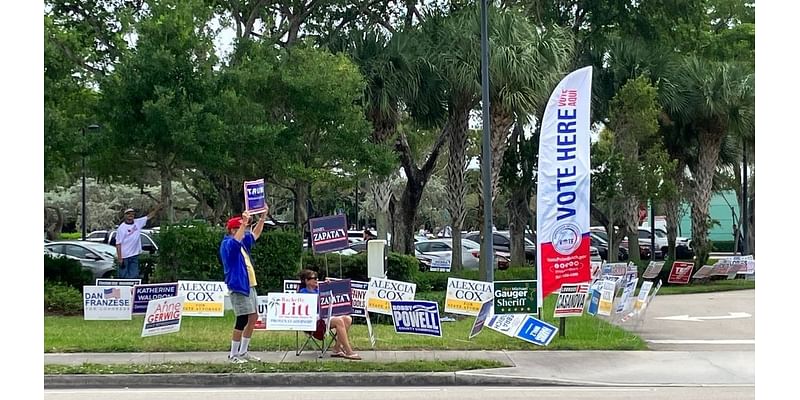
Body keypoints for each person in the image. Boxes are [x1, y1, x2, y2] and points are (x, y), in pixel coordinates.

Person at [220, 209, 267, 363]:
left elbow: (255, 235)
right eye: (241, 227)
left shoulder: (242, 243)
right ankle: (233, 354)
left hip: (249, 285)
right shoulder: (228, 244)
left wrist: (262, 218)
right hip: (239, 286)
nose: (245, 229)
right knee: (242, 319)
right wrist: (244, 224)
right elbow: (234, 243)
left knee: (253, 317)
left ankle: (243, 351)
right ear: (233, 230)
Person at [297, 269, 361, 360]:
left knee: (348, 319)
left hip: (326, 316)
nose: (316, 280)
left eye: (317, 278)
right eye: (313, 278)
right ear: (307, 281)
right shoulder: (302, 292)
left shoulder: (319, 289)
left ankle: (337, 348)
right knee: (339, 321)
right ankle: (348, 351)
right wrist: (322, 289)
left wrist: (328, 286)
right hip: (313, 319)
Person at [115, 203, 162, 279]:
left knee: (134, 275)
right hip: (124, 256)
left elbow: (149, 216)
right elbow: (118, 244)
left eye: (132, 214)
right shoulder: (122, 228)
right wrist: (120, 258)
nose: (131, 215)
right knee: (123, 276)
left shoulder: (137, 222)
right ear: (125, 216)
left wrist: (157, 208)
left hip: (134, 255)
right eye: (128, 214)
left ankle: (132, 289)